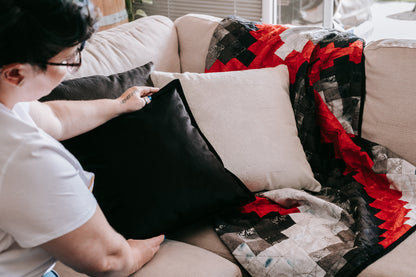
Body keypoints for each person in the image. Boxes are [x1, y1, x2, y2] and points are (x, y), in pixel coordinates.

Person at [0, 0, 164, 276]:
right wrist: (137, 251)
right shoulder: (25, 156)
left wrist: (119, 105)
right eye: (69, 60)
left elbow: (52, 118)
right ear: (16, 73)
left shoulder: (9, 97)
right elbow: (107, 261)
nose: (74, 66)